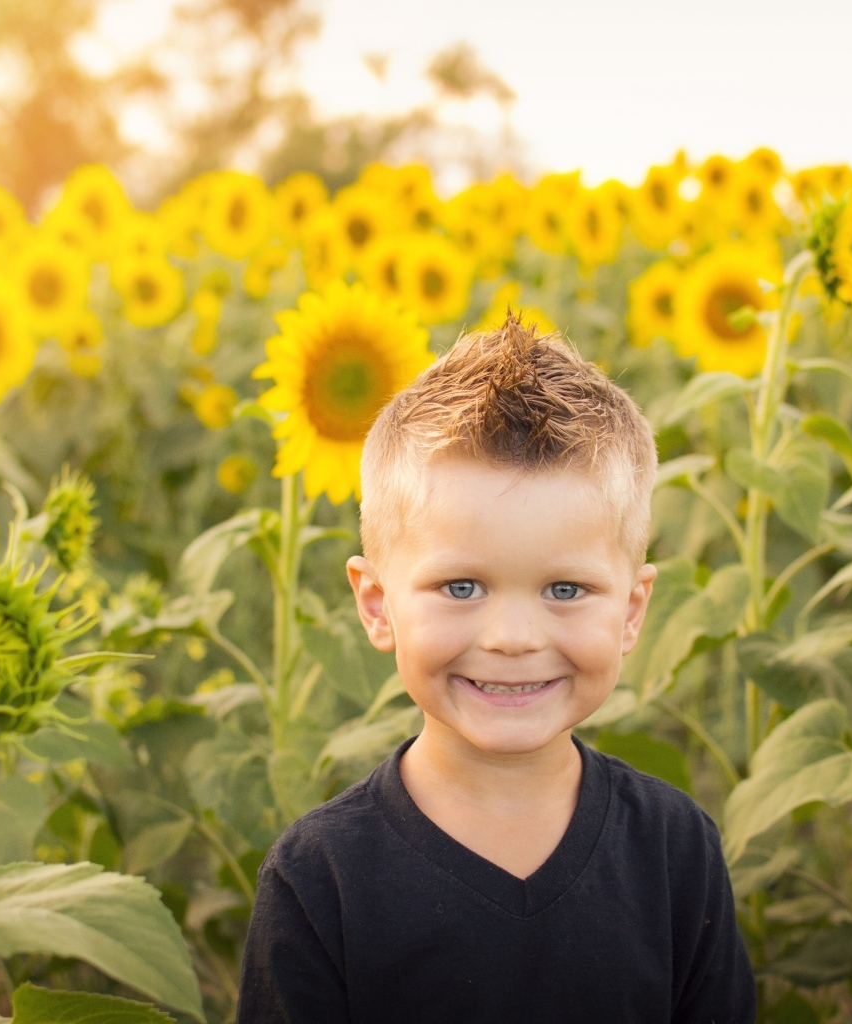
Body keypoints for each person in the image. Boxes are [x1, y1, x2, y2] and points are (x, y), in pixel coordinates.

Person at [236, 315, 756, 1023]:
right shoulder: (320, 878)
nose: (512, 638)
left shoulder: (674, 855)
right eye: (461, 587)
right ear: (377, 604)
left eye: (565, 590)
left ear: (632, 612)